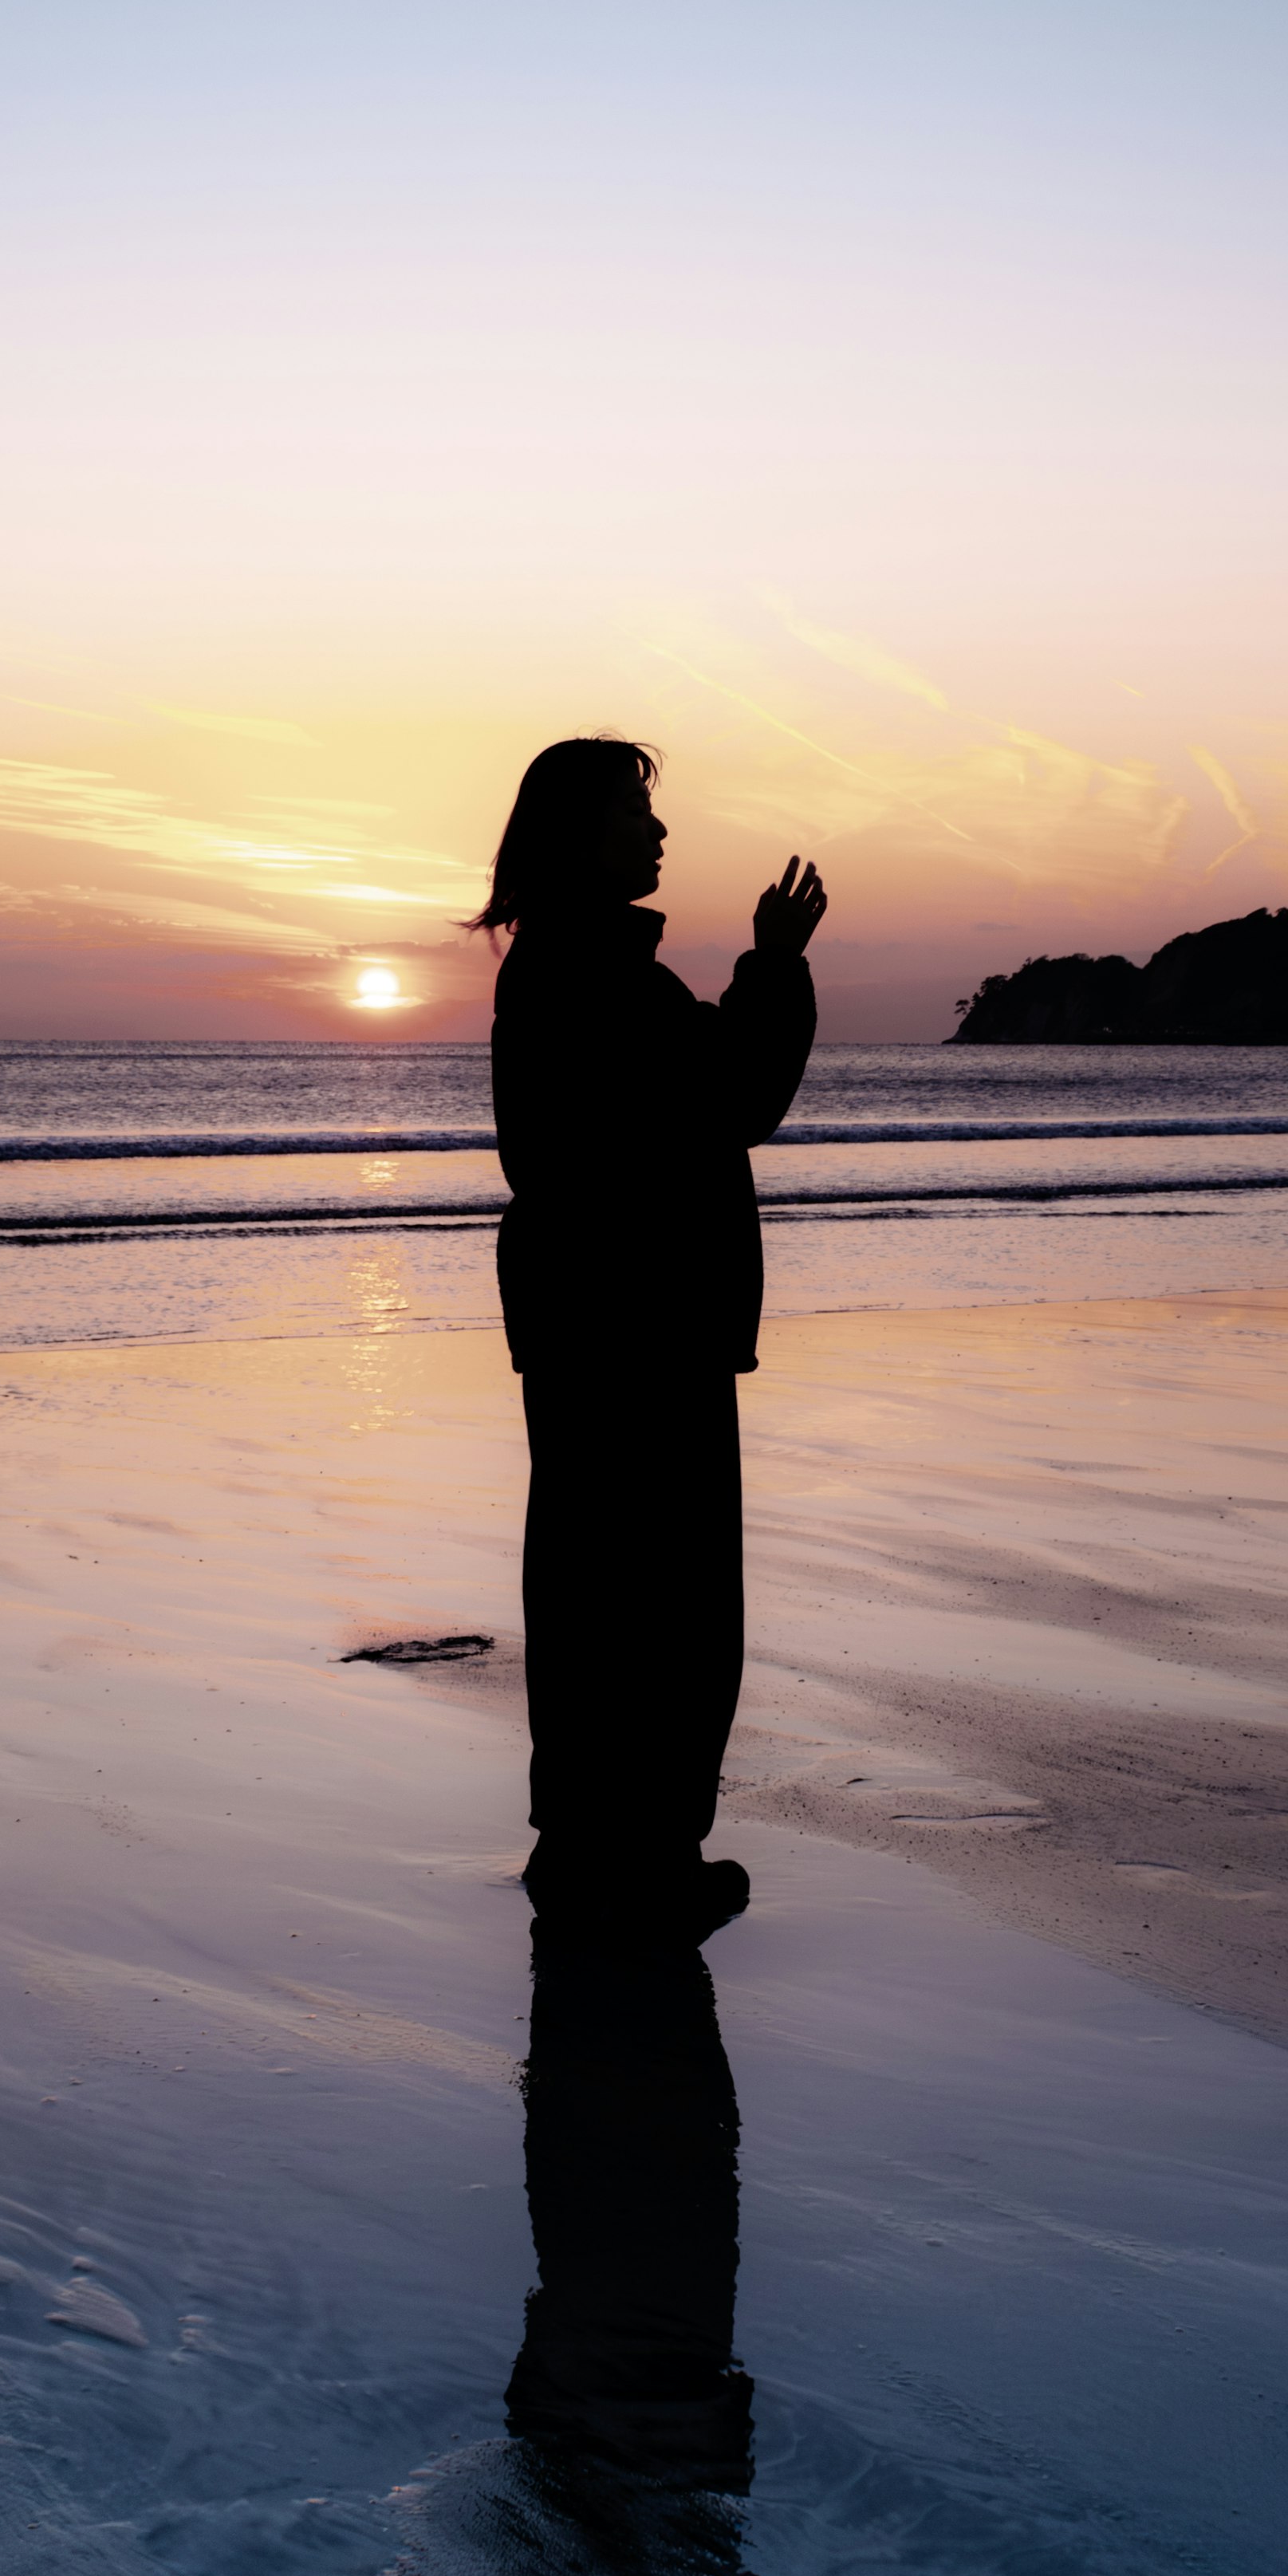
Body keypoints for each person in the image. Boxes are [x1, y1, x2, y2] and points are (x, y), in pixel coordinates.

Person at [475, 738, 825, 1943]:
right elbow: (730, 1099)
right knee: (661, 1605)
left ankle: (587, 1851)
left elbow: (692, 1098)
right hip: (639, 1322)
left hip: (595, 1318)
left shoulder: (564, 966)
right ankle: (643, 1861)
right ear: (582, 835)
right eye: (636, 810)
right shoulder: (592, 973)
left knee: (594, 1593)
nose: (658, 832)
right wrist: (775, 969)